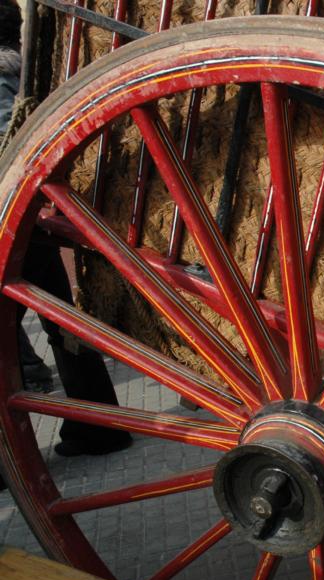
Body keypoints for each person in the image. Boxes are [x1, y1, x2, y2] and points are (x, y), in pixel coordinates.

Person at [1, 0, 131, 483]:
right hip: (31, 218)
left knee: (38, 331)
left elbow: (5, 144)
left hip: (12, 217)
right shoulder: (25, 69)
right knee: (61, 323)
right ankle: (100, 426)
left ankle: (10, 462)